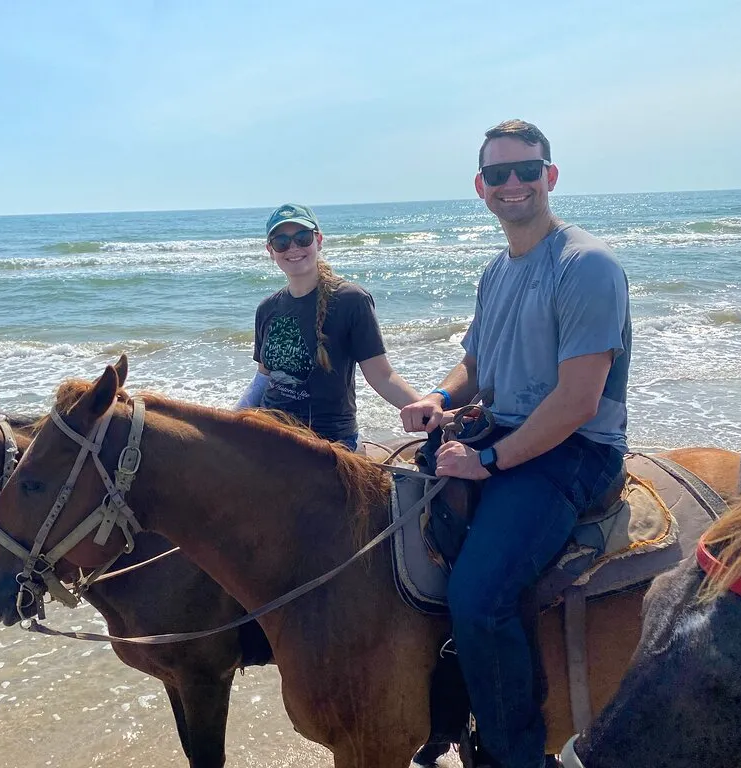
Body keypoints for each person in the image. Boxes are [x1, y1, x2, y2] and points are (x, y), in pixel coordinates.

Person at [400, 120, 631, 768]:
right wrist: (438, 398)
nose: (513, 184)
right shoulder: (497, 270)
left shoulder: (586, 265)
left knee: (479, 596)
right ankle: (443, 710)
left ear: (549, 176)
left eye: (526, 170)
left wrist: (488, 461)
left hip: (575, 449)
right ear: (481, 187)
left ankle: (517, 754)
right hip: (501, 429)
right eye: (498, 174)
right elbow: (475, 362)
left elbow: (577, 402)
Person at [236, 203, 420, 451]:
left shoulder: (351, 300)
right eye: (281, 242)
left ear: (318, 241)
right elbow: (264, 377)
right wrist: (231, 420)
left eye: (302, 238)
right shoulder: (267, 308)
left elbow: (382, 376)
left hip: (329, 443)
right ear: (271, 250)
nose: (293, 248)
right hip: (271, 435)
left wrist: (427, 409)